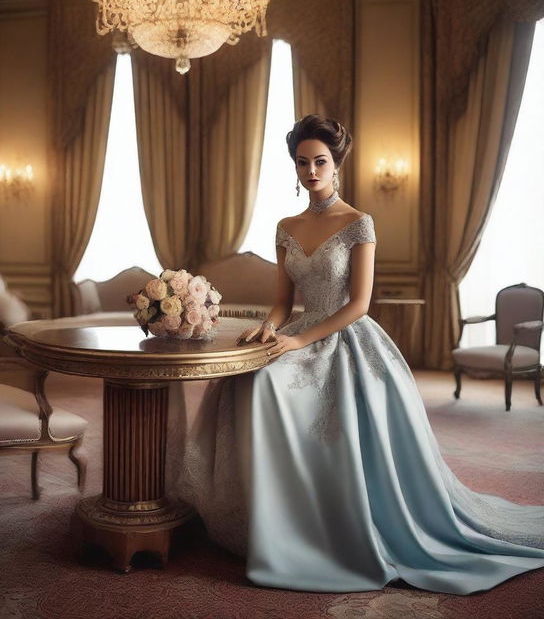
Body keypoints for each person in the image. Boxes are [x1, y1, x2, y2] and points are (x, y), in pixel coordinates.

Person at [169, 115, 544, 595]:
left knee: (270, 385)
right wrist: (270, 327)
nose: (310, 171)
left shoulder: (358, 223)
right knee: (247, 376)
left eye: (319, 162)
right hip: (300, 328)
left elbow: (359, 304)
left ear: (335, 164)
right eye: (302, 163)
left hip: (344, 336)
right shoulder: (286, 226)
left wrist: (299, 342)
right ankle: (269, 518)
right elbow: (284, 302)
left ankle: (312, 526)